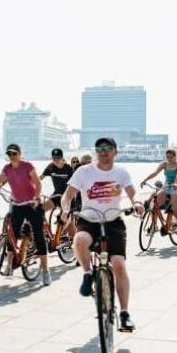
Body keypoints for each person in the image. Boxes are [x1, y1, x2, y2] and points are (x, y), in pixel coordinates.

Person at [59, 137, 144, 331]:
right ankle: (88, 274)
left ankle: (124, 313)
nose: (103, 152)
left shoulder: (121, 172)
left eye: (107, 148)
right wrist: (65, 209)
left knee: (119, 266)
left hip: (113, 221)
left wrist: (137, 203)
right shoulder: (84, 171)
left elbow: (132, 192)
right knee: (80, 240)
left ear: (115, 151)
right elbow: (68, 195)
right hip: (89, 221)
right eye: (99, 149)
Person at [0, 143, 51, 285]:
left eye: (14, 154)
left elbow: (38, 184)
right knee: (12, 234)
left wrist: (36, 197)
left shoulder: (27, 166)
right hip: (17, 205)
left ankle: (46, 272)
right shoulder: (7, 168)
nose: (12, 156)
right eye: (9, 154)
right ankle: (9, 265)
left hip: (32, 205)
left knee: (39, 235)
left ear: (20, 154)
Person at [139, 148, 177, 249]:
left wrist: (175, 182)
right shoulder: (164, 164)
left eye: (171, 157)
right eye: (167, 157)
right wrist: (145, 180)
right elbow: (155, 173)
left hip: (176, 188)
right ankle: (155, 226)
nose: (169, 159)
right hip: (166, 188)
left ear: (175, 156)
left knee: (176, 212)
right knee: (155, 204)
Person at [42, 148, 76, 241]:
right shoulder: (50, 167)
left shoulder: (69, 169)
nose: (56, 161)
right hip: (56, 196)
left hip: (68, 198)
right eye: (54, 159)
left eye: (58, 158)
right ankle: (46, 232)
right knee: (39, 210)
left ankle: (75, 241)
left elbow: (76, 185)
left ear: (62, 158)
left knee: (67, 224)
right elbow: (39, 179)